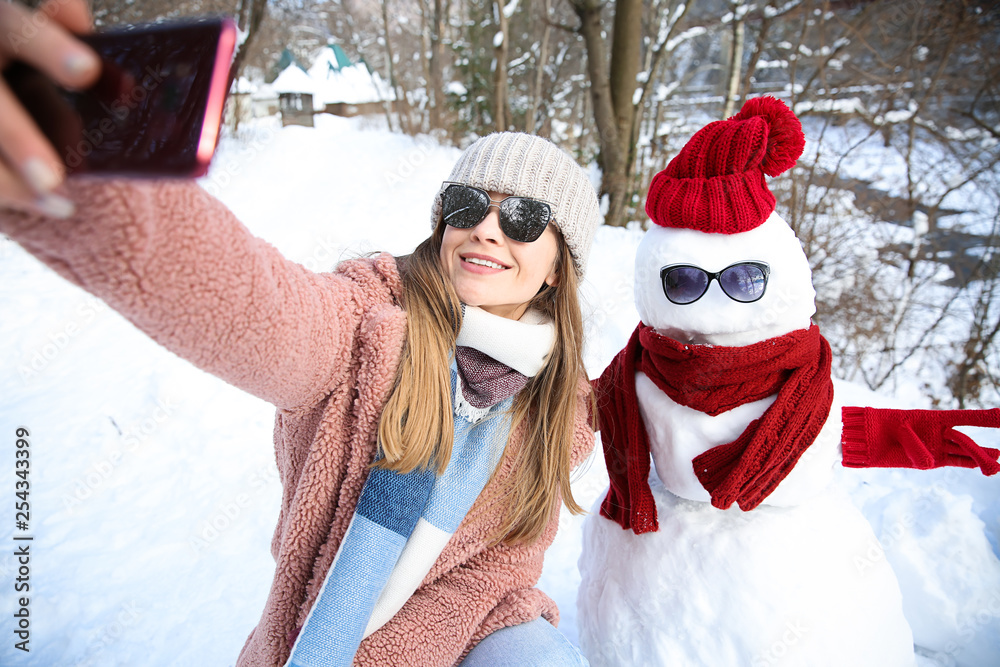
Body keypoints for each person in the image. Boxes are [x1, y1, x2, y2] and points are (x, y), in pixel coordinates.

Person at [0, 2, 602, 665]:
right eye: (466, 206)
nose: (487, 228)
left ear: (558, 268)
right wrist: (88, 164)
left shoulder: (559, 406)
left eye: (522, 216)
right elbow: (251, 300)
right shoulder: (369, 324)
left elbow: (499, 571)